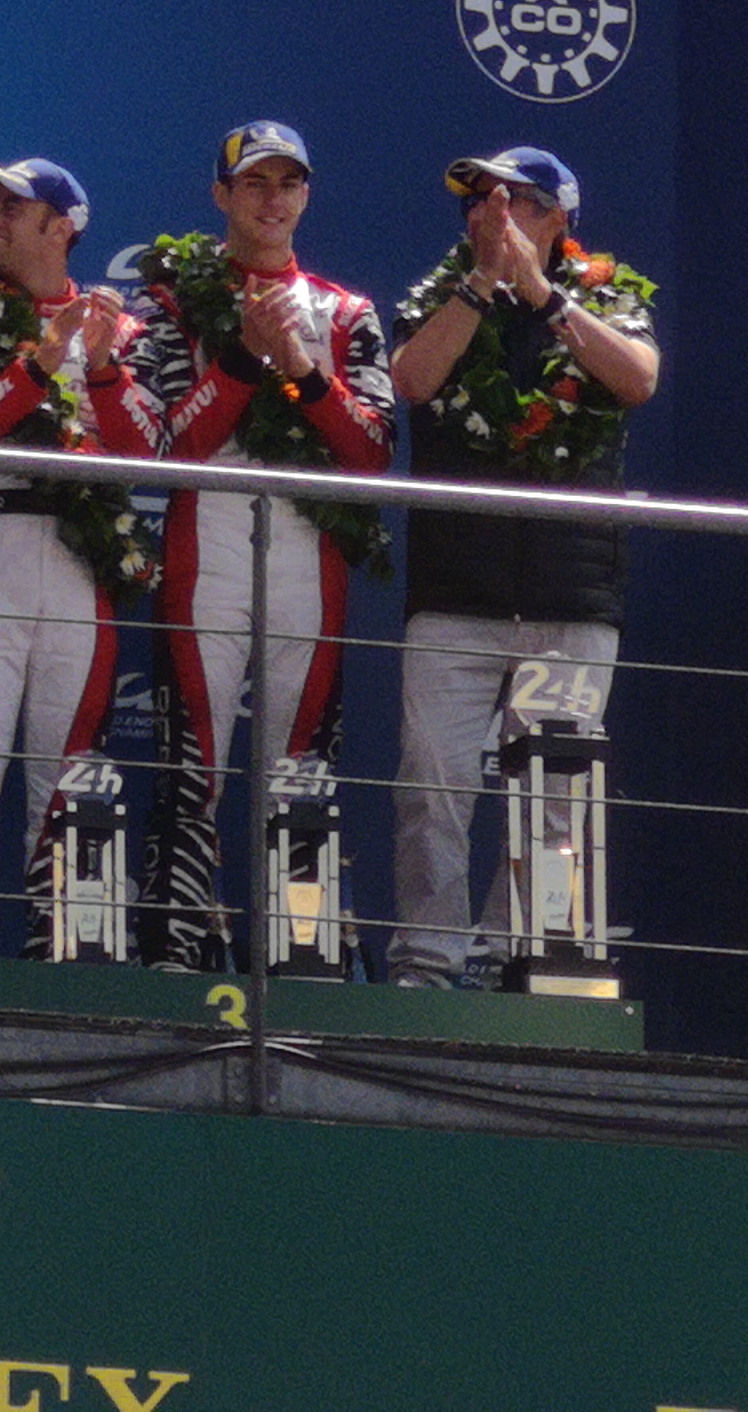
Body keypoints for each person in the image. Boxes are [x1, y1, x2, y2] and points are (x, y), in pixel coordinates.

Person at [96, 121, 394, 970]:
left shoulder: (346, 311)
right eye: (254, 183)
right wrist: (238, 360)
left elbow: (370, 447)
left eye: (288, 183)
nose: (272, 199)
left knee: (300, 769)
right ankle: (179, 947)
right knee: (192, 765)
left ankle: (301, 952)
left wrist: (298, 367)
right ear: (221, 195)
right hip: (209, 545)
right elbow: (168, 449)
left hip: (311, 552)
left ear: (306, 194)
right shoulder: (171, 301)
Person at [386, 147, 661, 991]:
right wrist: (480, 288)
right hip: (456, 595)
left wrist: (544, 298)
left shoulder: (609, 298)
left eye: (516, 205)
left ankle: (521, 962)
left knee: (554, 802)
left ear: (561, 221)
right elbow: (411, 380)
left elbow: (639, 380)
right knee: (431, 788)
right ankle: (428, 965)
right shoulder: (435, 298)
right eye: (477, 201)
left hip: (569, 594)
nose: (490, 217)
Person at [0, 155, 156, 955]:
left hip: (78, 556)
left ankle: (57, 946)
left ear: (61, 228)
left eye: (10, 208)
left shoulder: (118, 325)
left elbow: (153, 448)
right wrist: (37, 361)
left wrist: (94, 363)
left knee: (64, 764)